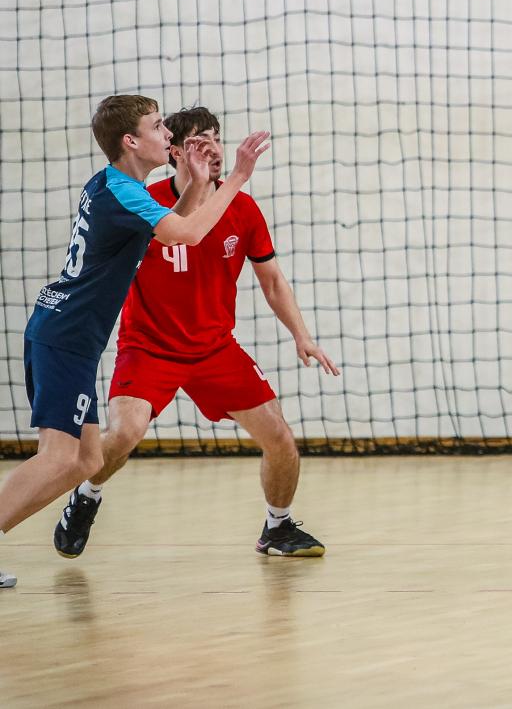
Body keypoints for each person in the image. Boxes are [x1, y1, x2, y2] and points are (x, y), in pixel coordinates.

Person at [0, 95, 269, 588]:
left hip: (70, 338)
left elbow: (165, 233)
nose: (167, 134)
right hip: (64, 337)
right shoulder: (124, 194)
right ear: (131, 141)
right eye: (158, 126)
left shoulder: (117, 186)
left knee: (88, 460)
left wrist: (200, 183)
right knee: (59, 457)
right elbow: (186, 235)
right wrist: (237, 177)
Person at [53, 107, 336, 560]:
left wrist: (302, 335)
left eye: (217, 138)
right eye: (201, 140)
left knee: (281, 439)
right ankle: (87, 493)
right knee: (124, 434)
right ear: (176, 152)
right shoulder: (144, 202)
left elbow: (272, 280)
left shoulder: (242, 208)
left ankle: (278, 528)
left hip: (215, 349)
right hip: (148, 346)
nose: (215, 148)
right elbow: (175, 233)